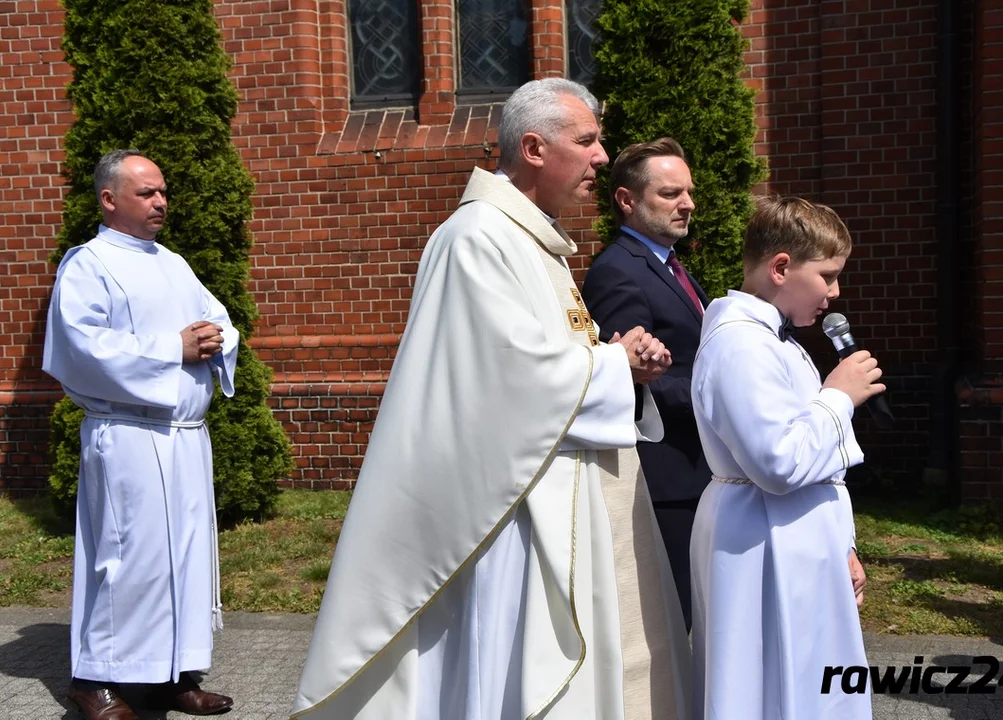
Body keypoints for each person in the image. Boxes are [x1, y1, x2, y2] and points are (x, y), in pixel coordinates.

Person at [292, 78, 691, 720]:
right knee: (512, 666)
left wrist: (614, 363)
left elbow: (547, 359)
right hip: (509, 509)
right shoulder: (476, 238)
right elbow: (507, 381)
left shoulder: (536, 240)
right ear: (533, 147)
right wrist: (613, 365)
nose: (600, 157)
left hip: (553, 485)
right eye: (586, 141)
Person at [43, 149, 238, 720]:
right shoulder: (89, 264)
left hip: (183, 438)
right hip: (128, 437)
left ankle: (175, 673)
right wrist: (170, 348)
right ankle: (94, 680)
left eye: (162, 191)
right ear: (109, 199)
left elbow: (219, 318)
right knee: (123, 559)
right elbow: (81, 349)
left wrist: (216, 339)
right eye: (147, 193)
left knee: (183, 558)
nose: (161, 201)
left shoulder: (173, 263)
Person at [689, 196, 876, 719]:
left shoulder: (777, 340)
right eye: (828, 276)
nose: (836, 292)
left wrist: (843, 544)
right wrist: (839, 395)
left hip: (797, 538)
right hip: (760, 540)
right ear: (780, 268)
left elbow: (818, 468)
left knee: (813, 682)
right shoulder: (740, 346)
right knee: (765, 686)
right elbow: (777, 462)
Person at [582, 138, 710, 630]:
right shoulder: (619, 271)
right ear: (627, 200)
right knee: (674, 622)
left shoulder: (670, 265)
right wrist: (714, 398)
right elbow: (635, 382)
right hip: (667, 479)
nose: (688, 203)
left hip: (695, 472)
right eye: (671, 193)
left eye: (689, 192)